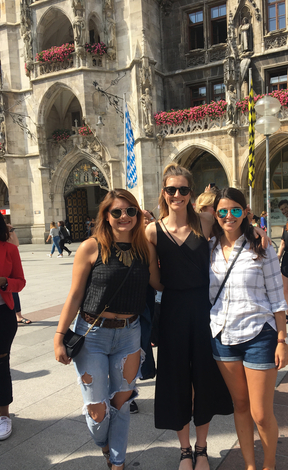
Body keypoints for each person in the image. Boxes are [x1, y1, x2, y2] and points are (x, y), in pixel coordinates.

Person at [54, 189, 162, 470]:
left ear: (139, 215)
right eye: (117, 212)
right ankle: (104, 444)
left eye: (130, 211)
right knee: (97, 410)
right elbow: (75, 295)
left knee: (122, 404)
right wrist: (58, 337)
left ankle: (117, 462)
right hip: (93, 335)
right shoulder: (91, 247)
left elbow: (160, 284)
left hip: (130, 334)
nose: (124, 216)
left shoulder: (145, 248)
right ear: (106, 215)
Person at [145, 163, 233, 470]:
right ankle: (185, 450)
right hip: (172, 310)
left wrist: (260, 232)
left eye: (183, 189)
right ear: (164, 193)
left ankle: (203, 448)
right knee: (175, 378)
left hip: (204, 309)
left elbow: (237, 233)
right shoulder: (153, 230)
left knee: (204, 378)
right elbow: (154, 279)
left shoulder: (206, 222)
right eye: (171, 190)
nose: (177, 195)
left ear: (191, 193)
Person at [209, 188, 288, 470]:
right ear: (215, 215)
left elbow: (278, 298)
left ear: (245, 212)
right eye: (222, 211)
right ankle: (250, 466)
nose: (229, 216)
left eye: (235, 210)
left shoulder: (261, 246)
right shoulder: (209, 248)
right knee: (239, 406)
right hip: (223, 336)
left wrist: (282, 339)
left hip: (260, 335)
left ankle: (269, 465)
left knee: (261, 413)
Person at [0, 213, 26, 440]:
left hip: (2, 315)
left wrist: (4, 282)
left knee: (1, 363)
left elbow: (20, 281)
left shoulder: (9, 250)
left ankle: (3, 415)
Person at [6, 224, 31, 324]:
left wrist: (11, 230)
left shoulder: (5, 232)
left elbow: (15, 244)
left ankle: (18, 316)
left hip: (7, 265)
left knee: (13, 290)